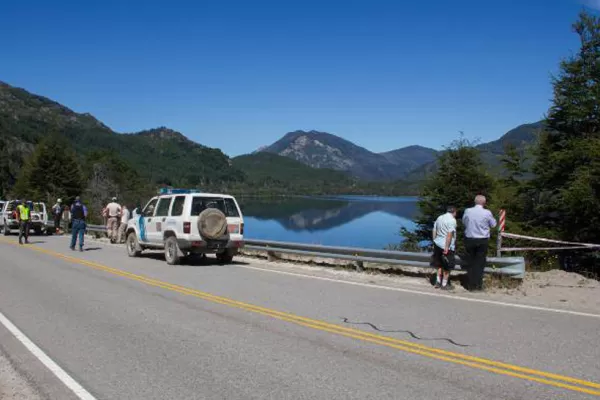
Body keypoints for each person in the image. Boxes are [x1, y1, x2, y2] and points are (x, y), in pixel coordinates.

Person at [462, 195, 497, 291]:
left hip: (470, 239)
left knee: (471, 262)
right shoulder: (487, 212)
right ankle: (478, 285)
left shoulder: (468, 211)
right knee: (480, 263)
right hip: (482, 240)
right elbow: (493, 224)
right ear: (484, 203)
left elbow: (464, 222)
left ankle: (470, 284)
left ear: (475, 202)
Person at [432, 206, 457, 290]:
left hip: (437, 243)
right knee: (447, 266)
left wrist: (434, 241)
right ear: (454, 212)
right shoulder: (452, 220)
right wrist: (446, 247)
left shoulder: (439, 217)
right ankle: (445, 284)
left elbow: (434, 230)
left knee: (439, 264)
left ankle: (438, 282)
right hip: (446, 246)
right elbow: (449, 235)